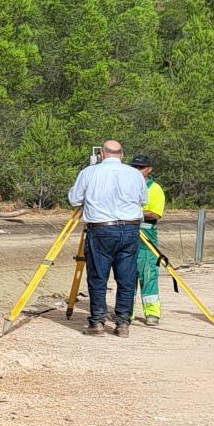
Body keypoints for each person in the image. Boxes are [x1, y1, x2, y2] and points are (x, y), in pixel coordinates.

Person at [65, 140, 147, 337]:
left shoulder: (89, 172)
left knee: (98, 277)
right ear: (122, 155)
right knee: (127, 278)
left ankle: (97, 323)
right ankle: (123, 324)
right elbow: (144, 201)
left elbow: (74, 199)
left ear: (102, 154)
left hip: (101, 230)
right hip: (130, 229)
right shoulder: (135, 174)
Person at [132, 154, 165, 324]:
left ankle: (152, 313)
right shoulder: (128, 185)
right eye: (135, 167)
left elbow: (156, 213)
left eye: (141, 167)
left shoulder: (155, 189)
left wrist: (135, 213)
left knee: (148, 276)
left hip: (147, 240)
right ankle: (126, 311)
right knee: (127, 276)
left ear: (149, 169)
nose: (137, 171)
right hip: (129, 238)